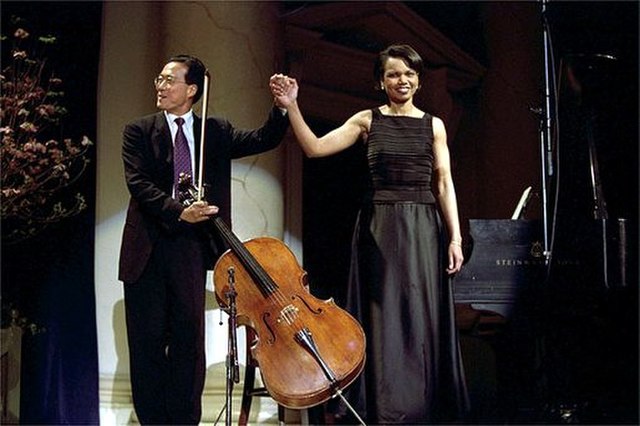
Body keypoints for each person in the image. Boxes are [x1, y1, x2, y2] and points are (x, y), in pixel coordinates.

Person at [271, 44, 469, 424]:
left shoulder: (434, 125)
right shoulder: (366, 120)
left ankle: (424, 407)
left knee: (421, 314)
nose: (403, 80)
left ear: (418, 80)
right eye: (394, 74)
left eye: (409, 73)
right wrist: (292, 105)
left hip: (425, 227)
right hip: (380, 226)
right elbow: (313, 148)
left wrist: (455, 238)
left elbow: (444, 183)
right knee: (384, 316)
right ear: (381, 81)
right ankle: (385, 408)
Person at [118, 54, 290, 424]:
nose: (160, 86)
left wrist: (282, 107)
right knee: (146, 345)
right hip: (146, 249)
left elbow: (265, 138)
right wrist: (179, 210)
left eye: (169, 80)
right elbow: (139, 183)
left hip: (190, 250)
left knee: (187, 345)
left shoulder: (216, 130)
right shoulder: (138, 130)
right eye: (159, 79)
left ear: (192, 90)